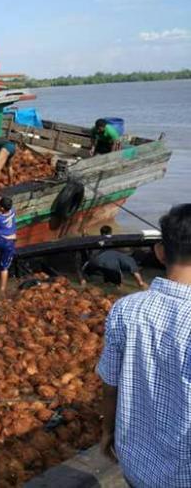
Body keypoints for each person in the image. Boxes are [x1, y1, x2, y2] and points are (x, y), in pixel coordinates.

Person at [97, 204, 191, 487]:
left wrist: (108, 431)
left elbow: (110, 386)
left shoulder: (126, 309)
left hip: (136, 466)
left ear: (160, 252)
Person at [79, 225, 147, 289]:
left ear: (101, 233)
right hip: (119, 256)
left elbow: (86, 240)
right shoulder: (116, 238)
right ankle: (141, 282)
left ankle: (118, 285)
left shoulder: (96, 239)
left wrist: (84, 233)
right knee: (131, 266)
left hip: (103, 258)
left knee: (115, 277)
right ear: (111, 232)